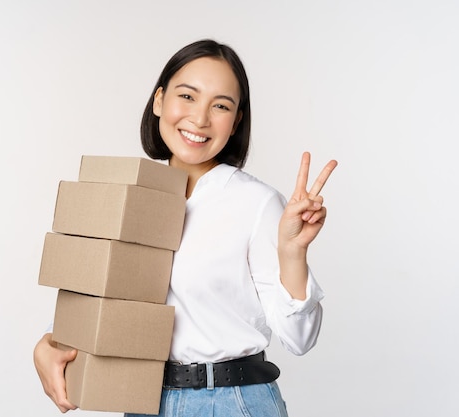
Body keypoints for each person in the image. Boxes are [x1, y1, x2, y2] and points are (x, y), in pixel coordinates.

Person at [34, 39, 337, 417]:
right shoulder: (133, 196)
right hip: (143, 400)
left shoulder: (255, 203)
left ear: (236, 121)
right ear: (159, 100)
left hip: (230, 401)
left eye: (221, 105)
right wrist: (48, 342)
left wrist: (294, 253)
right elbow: (101, 299)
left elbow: (300, 340)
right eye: (188, 96)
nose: (200, 118)